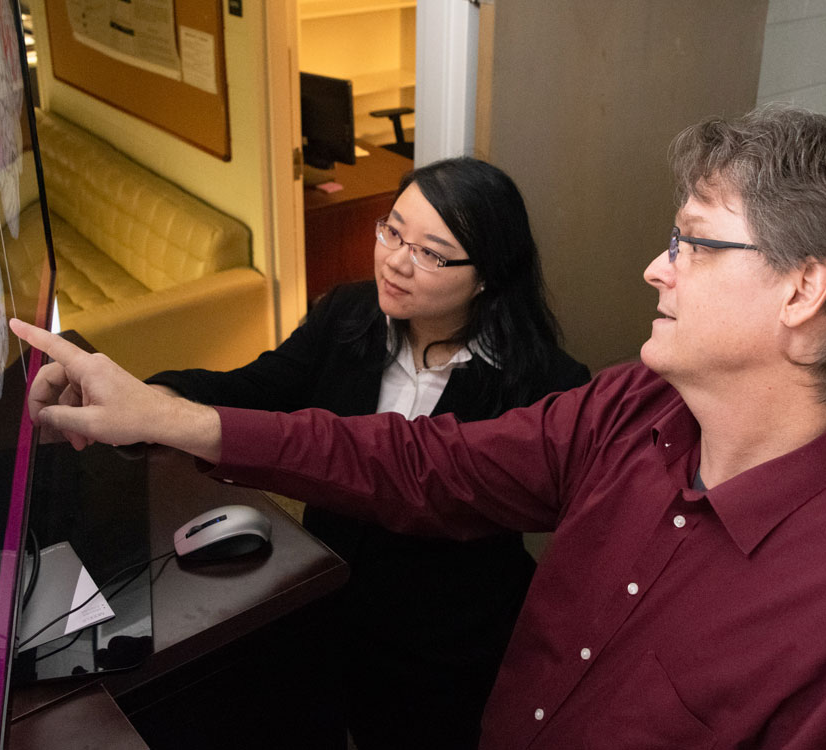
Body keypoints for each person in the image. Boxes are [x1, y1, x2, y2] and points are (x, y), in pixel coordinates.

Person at [9, 105, 826, 748]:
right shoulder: (631, 409)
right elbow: (421, 463)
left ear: (802, 289)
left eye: (692, 246)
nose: (655, 270)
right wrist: (168, 415)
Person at [144, 157, 590, 750]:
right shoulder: (347, 313)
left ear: (487, 276)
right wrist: (152, 399)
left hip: (445, 648)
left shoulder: (544, 387)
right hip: (327, 603)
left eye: (431, 254)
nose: (396, 262)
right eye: (393, 231)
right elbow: (256, 388)